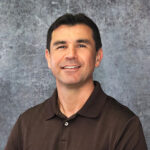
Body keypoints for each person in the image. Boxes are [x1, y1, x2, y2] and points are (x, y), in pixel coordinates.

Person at [5, 13, 147, 150]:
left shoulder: (124, 124)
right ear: (48, 58)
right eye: (61, 46)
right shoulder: (26, 123)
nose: (71, 55)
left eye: (81, 45)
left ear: (98, 56)